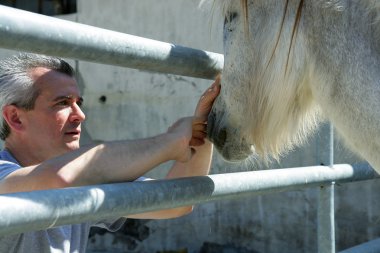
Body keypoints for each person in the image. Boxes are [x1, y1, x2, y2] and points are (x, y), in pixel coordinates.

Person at [0, 53, 221, 253]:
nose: (80, 115)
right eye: (63, 103)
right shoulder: (5, 174)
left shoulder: (80, 180)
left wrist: (205, 128)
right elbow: (59, 179)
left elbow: (177, 203)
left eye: (79, 103)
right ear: (16, 118)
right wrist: (169, 143)